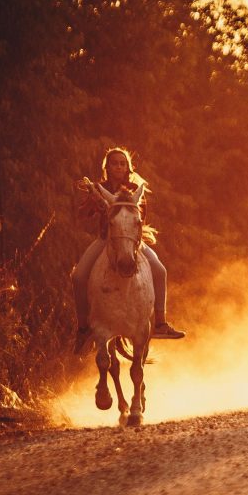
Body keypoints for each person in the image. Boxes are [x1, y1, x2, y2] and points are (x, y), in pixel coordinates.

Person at [73, 147, 186, 352]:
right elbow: (82, 214)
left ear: (128, 167)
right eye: (114, 163)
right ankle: (83, 328)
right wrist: (95, 202)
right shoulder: (99, 188)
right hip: (106, 239)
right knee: (79, 276)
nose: (118, 167)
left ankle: (160, 322)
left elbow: (140, 217)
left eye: (122, 163)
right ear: (107, 167)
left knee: (159, 270)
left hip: (131, 241)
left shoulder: (134, 190)